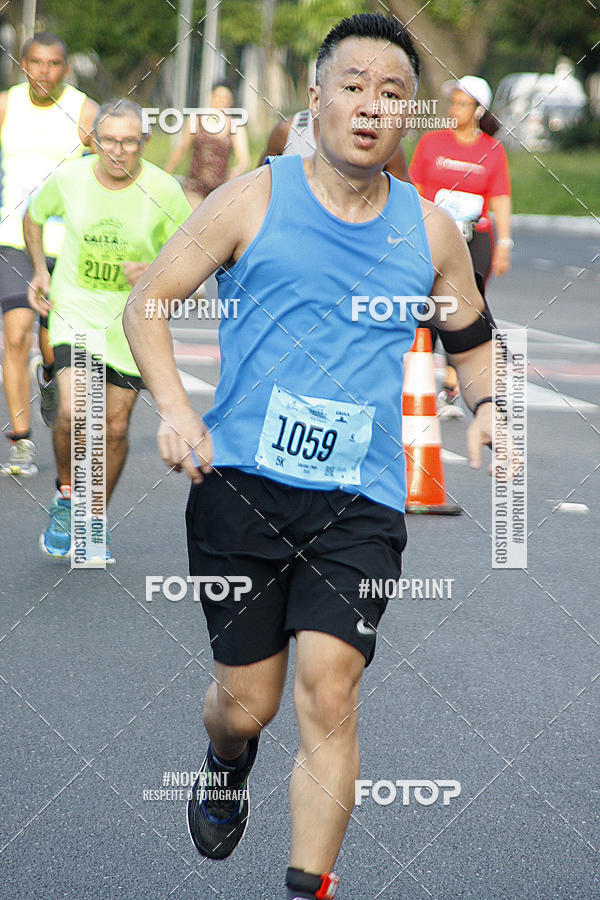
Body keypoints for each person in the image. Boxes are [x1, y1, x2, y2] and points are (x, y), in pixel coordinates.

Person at [124, 14, 502, 899]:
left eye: (393, 93)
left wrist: (488, 406)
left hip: (359, 501)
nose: (372, 106)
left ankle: (306, 889)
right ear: (317, 95)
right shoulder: (254, 197)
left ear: (407, 115)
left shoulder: (430, 230)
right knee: (246, 706)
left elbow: (472, 334)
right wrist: (176, 410)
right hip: (243, 486)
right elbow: (148, 303)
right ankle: (226, 762)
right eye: (355, 85)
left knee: (331, 692)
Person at [24, 100, 190, 563]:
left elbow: (191, 251)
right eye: (110, 140)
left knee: (114, 428)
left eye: (130, 141)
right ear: (94, 139)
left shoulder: (163, 189)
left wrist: (157, 269)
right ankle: (66, 497)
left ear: (145, 143)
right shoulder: (70, 178)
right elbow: (34, 218)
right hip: (75, 308)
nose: (119, 150)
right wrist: (39, 270)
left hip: (132, 320)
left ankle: (93, 519)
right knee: (78, 412)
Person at [0, 32, 98, 476]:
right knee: (16, 333)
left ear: (65, 68)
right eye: (36, 62)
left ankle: (50, 377)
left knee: (52, 345)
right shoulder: (7, 105)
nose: (44, 71)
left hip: (68, 245)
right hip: (14, 239)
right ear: (23, 65)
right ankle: (21, 441)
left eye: (54, 63)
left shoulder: (83, 110)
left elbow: (114, 167)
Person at [409, 75, 512, 417]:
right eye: (452, 101)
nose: (454, 108)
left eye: (462, 103)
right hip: (433, 236)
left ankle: (454, 386)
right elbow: (415, 188)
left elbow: (500, 199)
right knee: (429, 307)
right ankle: (422, 385)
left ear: (479, 110)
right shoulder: (431, 143)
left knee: (466, 305)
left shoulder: (492, 151)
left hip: (474, 238)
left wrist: (505, 243)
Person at [260, 105, 411, 181]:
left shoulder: (386, 145)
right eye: (349, 88)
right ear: (316, 98)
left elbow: (406, 212)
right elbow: (258, 189)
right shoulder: (288, 132)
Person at [165, 83, 250, 208]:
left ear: (231, 101)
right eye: (218, 97)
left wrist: (237, 171)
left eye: (225, 98)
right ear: (211, 97)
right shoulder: (196, 120)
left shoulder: (236, 126)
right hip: (195, 187)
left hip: (220, 190)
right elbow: (181, 148)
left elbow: (244, 158)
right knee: (195, 219)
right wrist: (165, 174)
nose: (221, 101)